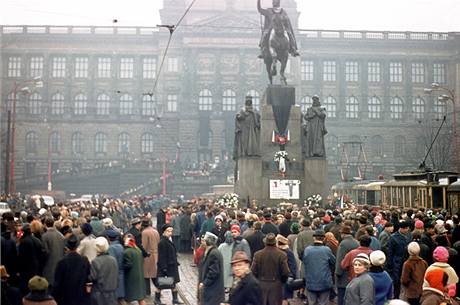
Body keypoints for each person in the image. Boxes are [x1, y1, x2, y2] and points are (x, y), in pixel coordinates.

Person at [251, 233, 290, 305]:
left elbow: (253, 271)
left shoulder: (257, 254)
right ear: (275, 242)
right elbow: (285, 272)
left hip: (261, 285)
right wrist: (281, 282)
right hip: (276, 286)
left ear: (265, 243)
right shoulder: (282, 255)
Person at [53, 234, 91, 305]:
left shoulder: (62, 262)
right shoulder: (84, 261)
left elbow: (57, 283)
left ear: (66, 247)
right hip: (80, 297)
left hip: (65, 298)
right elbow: (88, 279)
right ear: (77, 246)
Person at [302, 229, 336, 305]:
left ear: (314, 238)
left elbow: (304, 261)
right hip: (324, 281)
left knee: (311, 302)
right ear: (324, 238)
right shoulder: (327, 250)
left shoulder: (307, 250)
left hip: (310, 281)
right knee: (323, 303)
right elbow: (334, 262)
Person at [157, 224, 183, 305]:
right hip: (166, 266)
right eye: (168, 231)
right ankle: (157, 299)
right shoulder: (162, 242)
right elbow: (162, 256)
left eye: (171, 231)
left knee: (173, 283)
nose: (170, 233)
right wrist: (164, 268)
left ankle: (175, 299)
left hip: (172, 265)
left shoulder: (169, 240)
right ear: (164, 231)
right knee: (161, 284)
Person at [386, 220, 412, 298]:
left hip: (406, 261)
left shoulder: (409, 235)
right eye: (406, 228)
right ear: (402, 229)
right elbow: (390, 252)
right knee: (396, 282)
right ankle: (396, 297)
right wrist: (390, 264)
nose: (407, 230)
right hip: (397, 263)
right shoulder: (393, 238)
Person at [89, 236, 118, 305]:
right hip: (112, 293)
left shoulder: (95, 261)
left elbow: (92, 277)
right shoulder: (113, 260)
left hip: (100, 294)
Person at [198, 232, 225, 305]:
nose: (202, 242)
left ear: (207, 242)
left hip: (213, 290)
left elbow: (214, 272)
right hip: (211, 289)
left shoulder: (213, 253)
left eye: (203, 240)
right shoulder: (210, 252)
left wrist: (204, 283)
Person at [335, 225, 359, 305]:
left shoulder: (343, 244)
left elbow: (340, 260)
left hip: (344, 275)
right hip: (354, 272)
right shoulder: (356, 242)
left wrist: (338, 273)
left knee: (342, 298)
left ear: (343, 234)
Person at [233, 96, 261, 160]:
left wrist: (252, 113)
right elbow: (238, 117)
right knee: (244, 142)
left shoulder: (254, 110)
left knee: (252, 141)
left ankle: (251, 153)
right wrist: (242, 115)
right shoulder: (242, 110)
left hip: (252, 129)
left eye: (250, 101)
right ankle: (244, 153)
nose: (248, 102)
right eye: (247, 101)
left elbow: (258, 116)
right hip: (244, 129)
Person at [41, 217, 65, 289]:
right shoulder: (61, 235)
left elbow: (45, 252)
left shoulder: (44, 236)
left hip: (48, 266)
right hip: (60, 264)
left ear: (45, 224)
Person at [123, 233, 147, 305]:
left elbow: (128, 265)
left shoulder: (127, 252)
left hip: (131, 278)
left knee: (128, 299)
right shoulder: (138, 250)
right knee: (141, 299)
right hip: (139, 277)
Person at [141, 218, 160, 298]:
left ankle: (147, 291)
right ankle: (159, 288)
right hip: (156, 254)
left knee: (146, 274)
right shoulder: (155, 231)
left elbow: (144, 246)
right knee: (154, 274)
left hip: (148, 256)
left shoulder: (144, 232)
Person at [276, 234, 297, 305]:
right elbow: (293, 266)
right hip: (286, 277)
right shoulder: (289, 252)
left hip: (280, 278)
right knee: (284, 297)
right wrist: (294, 276)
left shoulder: (277, 252)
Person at [107, 229, 126, 305]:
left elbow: (112, 262)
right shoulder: (120, 246)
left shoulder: (111, 248)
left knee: (116, 299)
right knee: (121, 299)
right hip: (121, 274)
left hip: (115, 275)